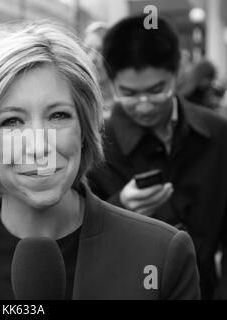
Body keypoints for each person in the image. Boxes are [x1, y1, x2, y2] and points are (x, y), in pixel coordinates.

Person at [0, 22, 200, 300]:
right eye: (11, 122)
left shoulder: (162, 254)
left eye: (58, 116)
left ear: (84, 129)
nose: (38, 146)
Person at [86, 15, 227, 299]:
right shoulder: (95, 144)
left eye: (156, 90)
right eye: (128, 93)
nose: (144, 105)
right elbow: (80, 241)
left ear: (176, 75)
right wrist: (120, 208)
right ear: (112, 84)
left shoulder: (218, 133)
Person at [83, 21, 113, 118]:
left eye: (100, 50)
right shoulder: (78, 101)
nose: (93, 58)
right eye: (88, 50)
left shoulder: (125, 103)